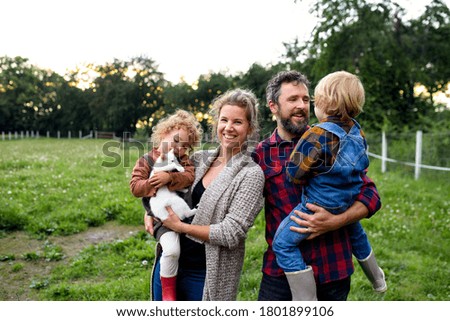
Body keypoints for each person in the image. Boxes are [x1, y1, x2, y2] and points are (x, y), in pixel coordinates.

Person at [253, 70, 382, 301]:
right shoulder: (261, 155)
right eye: (292, 99)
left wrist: (335, 221)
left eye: (305, 99)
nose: (301, 105)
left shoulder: (332, 140)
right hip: (281, 275)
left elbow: (371, 195)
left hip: (333, 269)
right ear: (273, 106)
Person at [147, 88, 265, 300]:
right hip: (170, 263)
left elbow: (231, 233)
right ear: (216, 123)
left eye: (237, 122)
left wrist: (180, 227)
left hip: (204, 273)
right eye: (224, 120)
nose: (229, 128)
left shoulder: (251, 174)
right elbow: (165, 188)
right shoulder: (198, 159)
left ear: (250, 128)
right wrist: (150, 212)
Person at [130, 109, 203, 301]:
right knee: (172, 250)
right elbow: (135, 187)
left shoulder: (183, 161)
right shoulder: (146, 160)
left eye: (185, 146)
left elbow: (189, 177)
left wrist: (169, 177)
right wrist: (153, 182)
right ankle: (168, 292)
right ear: (163, 134)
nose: (179, 148)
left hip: (182, 212)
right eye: (176, 140)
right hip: (162, 218)